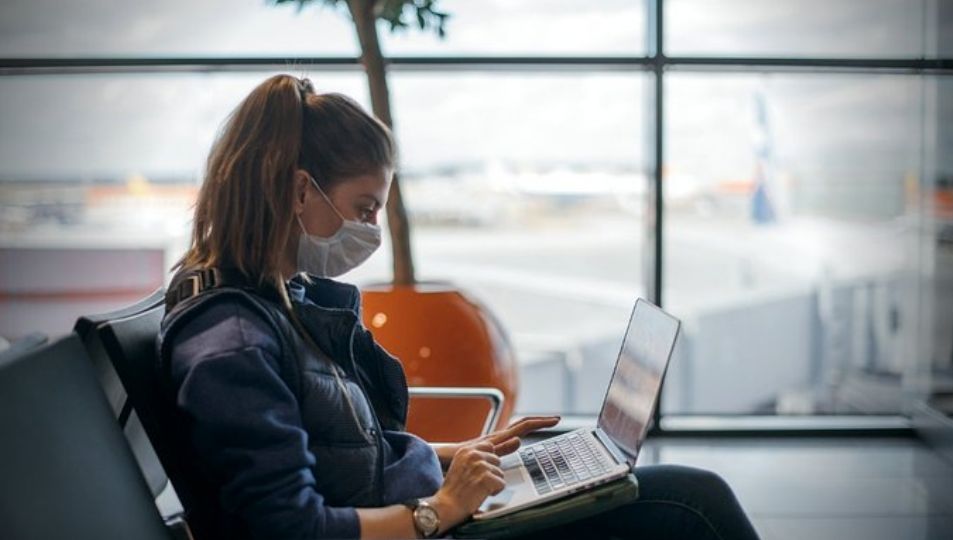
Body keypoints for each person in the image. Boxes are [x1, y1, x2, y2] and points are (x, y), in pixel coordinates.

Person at [157, 73, 760, 540]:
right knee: (690, 502)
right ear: (298, 190)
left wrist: (463, 457)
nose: (371, 229)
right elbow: (289, 529)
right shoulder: (234, 341)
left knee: (656, 489)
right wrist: (441, 509)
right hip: (426, 527)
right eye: (365, 208)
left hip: (428, 511)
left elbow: (341, 455)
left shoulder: (282, 300)